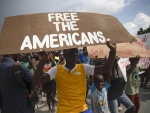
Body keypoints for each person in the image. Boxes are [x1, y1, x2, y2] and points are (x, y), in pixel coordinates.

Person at [32, 41, 116, 113]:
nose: (76, 53)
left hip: (82, 109)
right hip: (64, 111)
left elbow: (106, 68)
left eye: (76, 51)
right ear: (64, 55)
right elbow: (38, 80)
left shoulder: (83, 68)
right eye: (72, 51)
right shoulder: (57, 70)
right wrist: (42, 61)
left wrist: (112, 52)